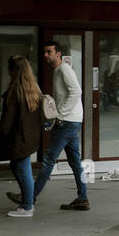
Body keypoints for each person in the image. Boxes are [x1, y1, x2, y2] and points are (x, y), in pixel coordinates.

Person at [24, 40, 89, 211]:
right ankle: (83, 198)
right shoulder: (59, 70)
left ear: (58, 54)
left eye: (49, 52)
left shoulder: (64, 69)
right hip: (72, 120)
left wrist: (60, 114)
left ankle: (30, 197)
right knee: (75, 162)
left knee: (48, 160)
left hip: (67, 122)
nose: (45, 55)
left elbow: (77, 92)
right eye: (44, 52)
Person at [0, 56, 45, 218]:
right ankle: (26, 201)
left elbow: (6, 121)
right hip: (30, 136)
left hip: (19, 137)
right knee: (17, 166)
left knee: (23, 169)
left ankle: (27, 206)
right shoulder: (34, 88)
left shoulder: (15, 91)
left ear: (12, 70)